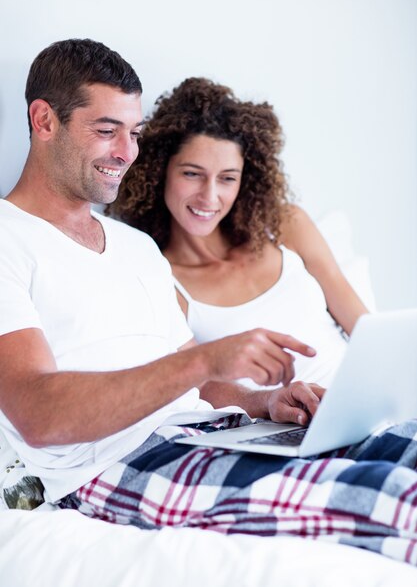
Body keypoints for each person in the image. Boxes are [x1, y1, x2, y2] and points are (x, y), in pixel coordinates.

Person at [0, 41, 416, 567]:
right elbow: (37, 414)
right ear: (44, 121)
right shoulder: (7, 241)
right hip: (121, 462)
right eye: (107, 131)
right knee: (396, 497)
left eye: (134, 132)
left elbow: (199, 387)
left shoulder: (135, 246)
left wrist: (268, 402)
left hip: (213, 433)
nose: (127, 152)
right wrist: (204, 358)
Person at [108, 77, 369, 388]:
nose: (210, 196)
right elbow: (199, 388)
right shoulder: (162, 281)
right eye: (192, 174)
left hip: (368, 404)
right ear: (159, 171)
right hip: (288, 427)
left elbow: (366, 329)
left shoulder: (287, 226)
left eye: (228, 178)